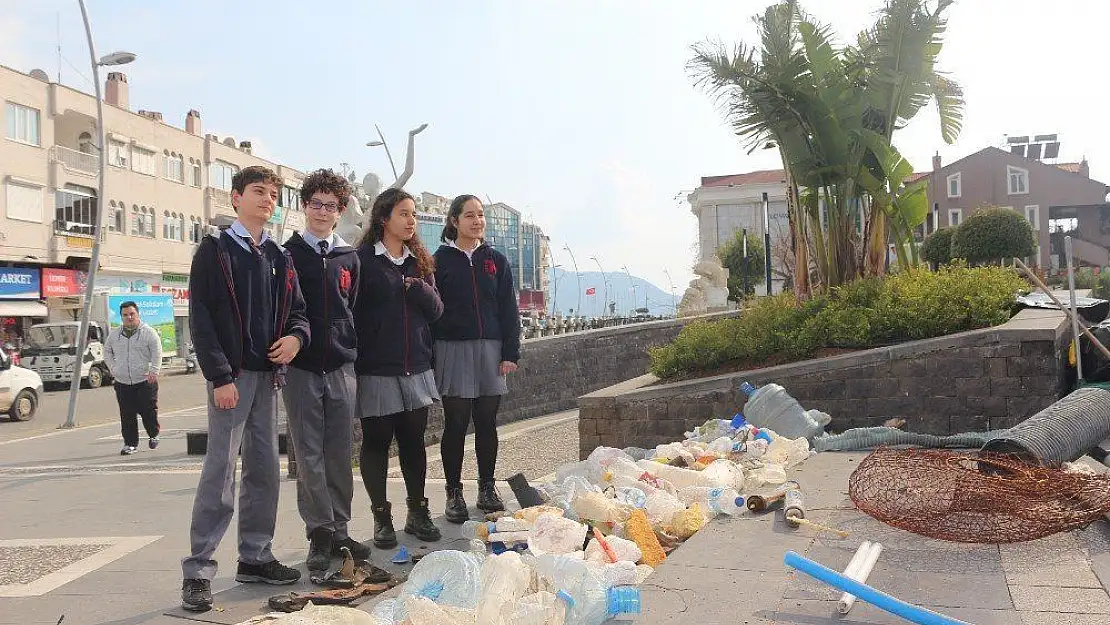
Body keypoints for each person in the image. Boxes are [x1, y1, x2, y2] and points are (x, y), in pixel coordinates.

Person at [181, 165, 310, 612]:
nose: (268, 199)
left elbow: (299, 312)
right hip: (232, 379)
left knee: (264, 471)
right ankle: (198, 569)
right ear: (236, 198)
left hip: (269, 378)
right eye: (259, 191)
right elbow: (201, 318)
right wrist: (219, 376)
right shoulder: (215, 251)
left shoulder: (278, 255)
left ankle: (255, 555)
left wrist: (296, 339)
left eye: (274, 194)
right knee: (220, 472)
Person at [281, 169, 368, 576]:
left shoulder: (348, 256)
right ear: (304, 206)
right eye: (315, 203)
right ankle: (319, 532)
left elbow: (354, 309)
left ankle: (341, 528)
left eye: (330, 205)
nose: (321, 211)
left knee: (338, 453)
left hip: (340, 366)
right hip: (300, 368)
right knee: (308, 455)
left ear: (340, 210)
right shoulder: (286, 255)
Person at [353, 187, 443, 547]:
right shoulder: (362, 260)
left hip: (416, 366)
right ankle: (381, 518)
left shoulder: (419, 261)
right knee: (376, 443)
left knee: (413, 442)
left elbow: (437, 311)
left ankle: (418, 513)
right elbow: (352, 312)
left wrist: (420, 289)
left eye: (414, 214)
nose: (411, 221)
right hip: (376, 368)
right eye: (404, 214)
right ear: (383, 218)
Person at [432, 195, 521, 523]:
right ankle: (454, 492)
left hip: (490, 348)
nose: (477, 221)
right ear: (455, 220)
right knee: (455, 424)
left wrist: (510, 352)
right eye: (469, 215)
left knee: (487, 421)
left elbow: (508, 309)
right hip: (451, 349)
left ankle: (487, 487)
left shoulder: (496, 260)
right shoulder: (438, 261)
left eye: (481, 215)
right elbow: (430, 312)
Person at [103, 300, 162, 455]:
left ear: (137, 314)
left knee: (148, 411)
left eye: (132, 314)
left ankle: (153, 434)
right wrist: (113, 368)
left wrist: (154, 371)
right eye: (125, 315)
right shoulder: (115, 335)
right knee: (127, 414)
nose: (129, 317)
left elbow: (157, 352)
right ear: (121, 317)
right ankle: (130, 444)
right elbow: (107, 351)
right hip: (122, 382)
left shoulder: (148, 333)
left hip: (144, 381)